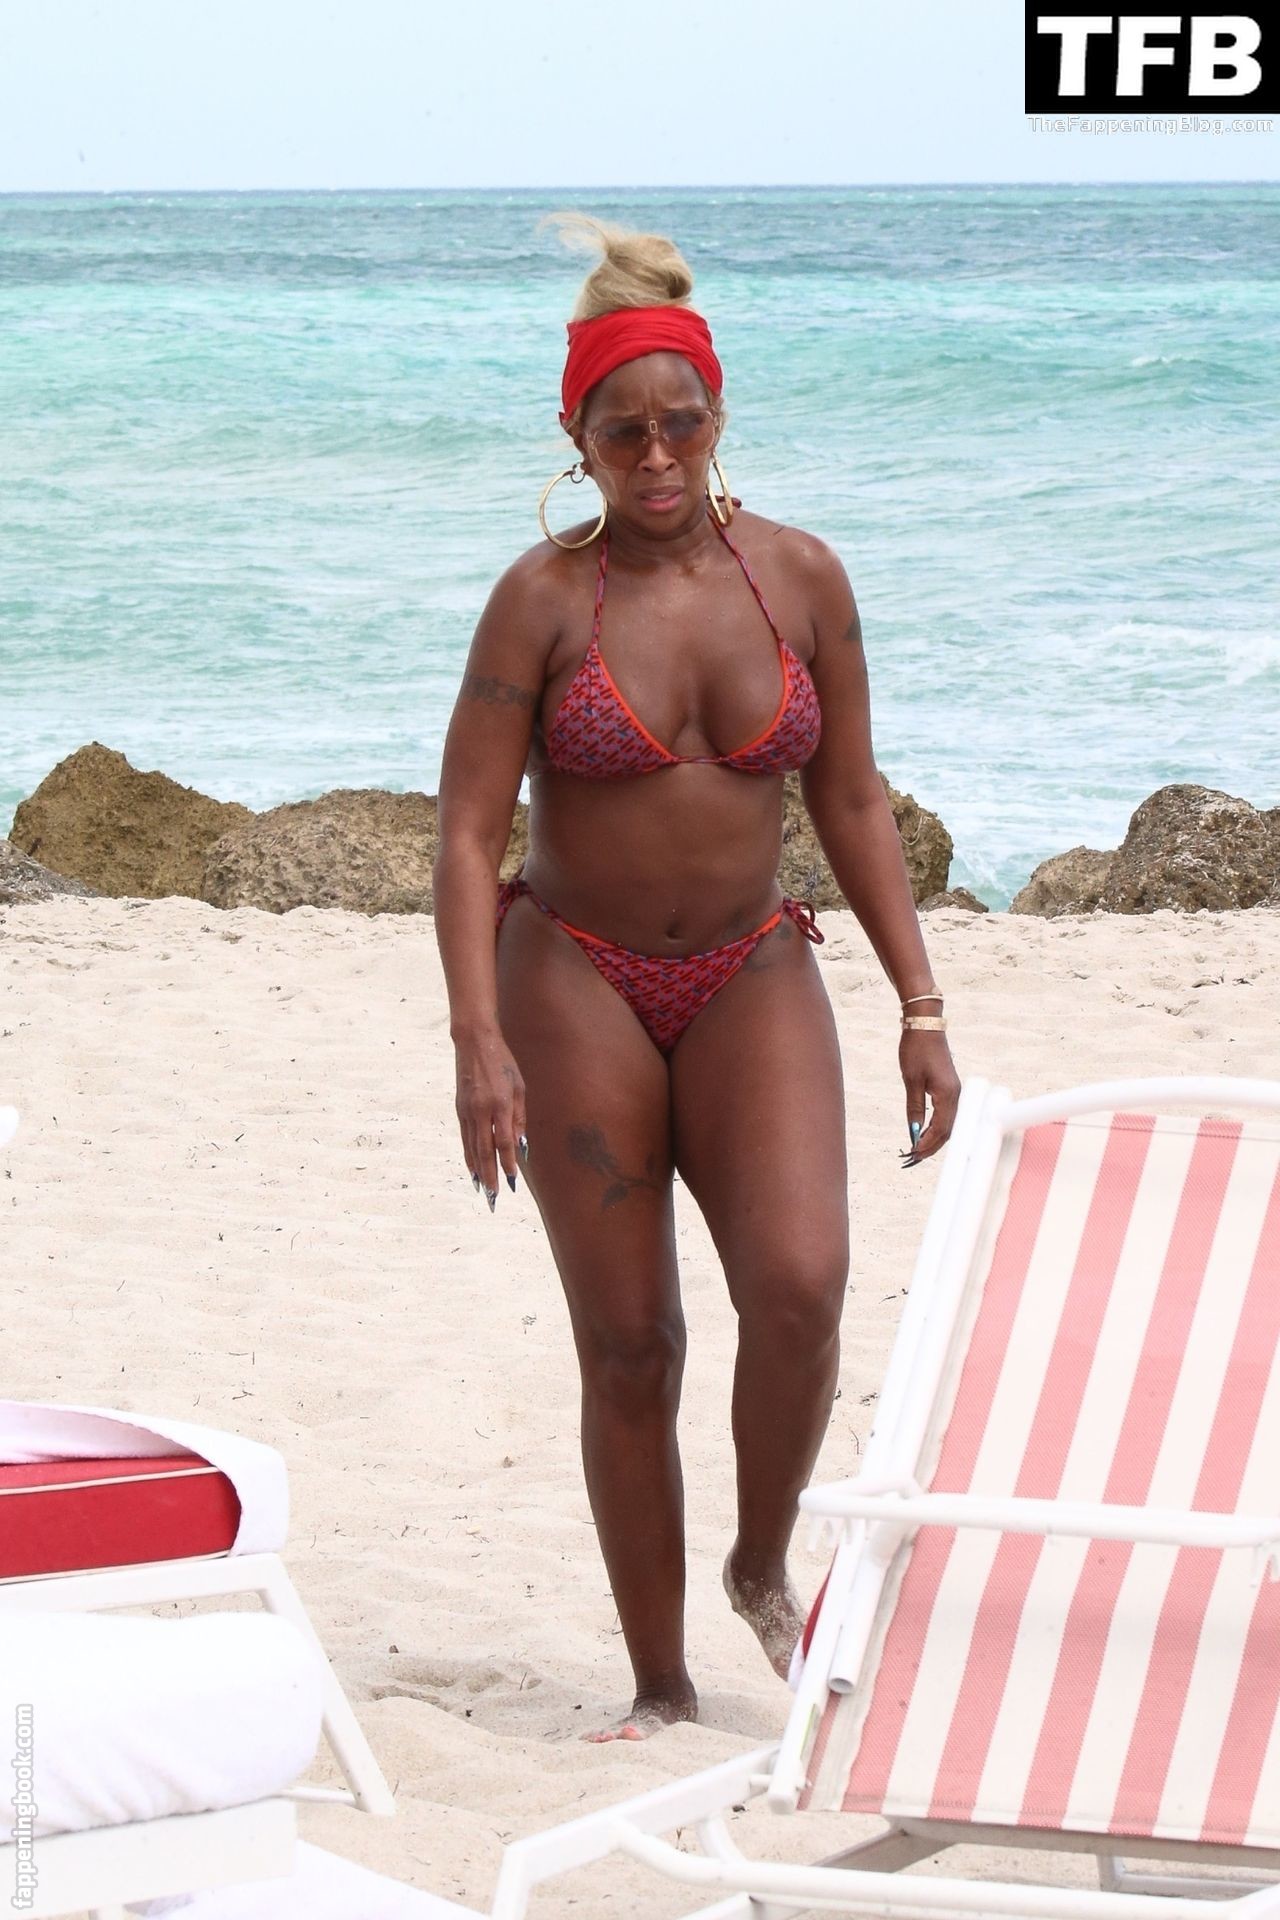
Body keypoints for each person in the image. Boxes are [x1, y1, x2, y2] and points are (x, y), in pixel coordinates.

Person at [432, 215, 960, 1742]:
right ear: (577, 441)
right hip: (572, 975)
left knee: (799, 1288)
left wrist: (921, 1004)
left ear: (719, 413)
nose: (656, 455)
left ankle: (757, 1562)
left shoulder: (801, 579)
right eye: (624, 431)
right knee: (632, 1346)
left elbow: (850, 797)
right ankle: (660, 1682)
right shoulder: (541, 600)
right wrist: (477, 1037)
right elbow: (465, 832)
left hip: (750, 965)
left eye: (682, 421)